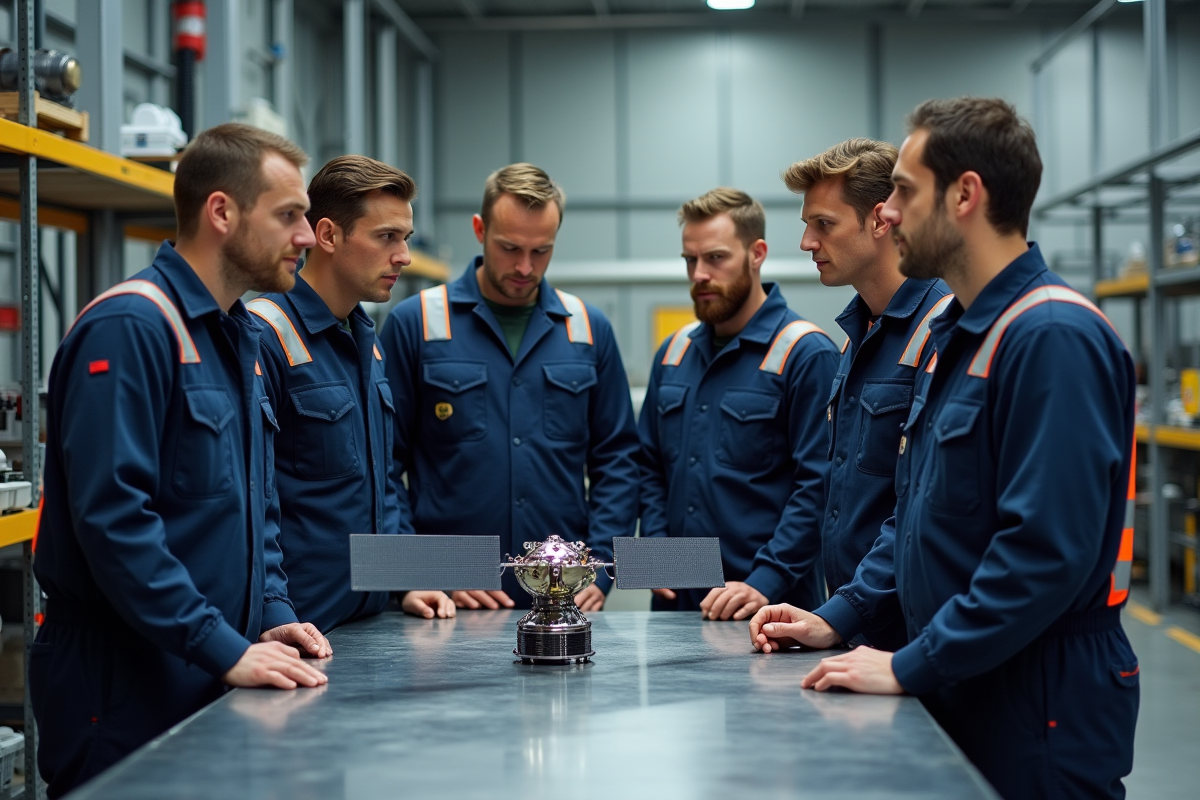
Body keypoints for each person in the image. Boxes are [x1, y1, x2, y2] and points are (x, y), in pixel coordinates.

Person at [753, 98, 1138, 800]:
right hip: (967, 675)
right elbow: (916, 515)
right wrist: (839, 617)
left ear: (965, 195)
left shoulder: (1051, 335)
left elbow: (1045, 553)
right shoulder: (960, 338)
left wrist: (910, 664)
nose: (889, 212)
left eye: (903, 190)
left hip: (1037, 699)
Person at [31, 123, 332, 798]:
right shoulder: (132, 328)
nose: (308, 237)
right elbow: (114, 521)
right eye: (289, 215)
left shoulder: (244, 336)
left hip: (209, 663)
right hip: (125, 680)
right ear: (222, 212)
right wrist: (224, 646)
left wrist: (273, 611)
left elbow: (258, 502)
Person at [380, 163, 639, 611]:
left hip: (562, 597)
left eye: (541, 251)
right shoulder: (416, 324)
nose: (525, 267)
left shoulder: (589, 329)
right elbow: (382, 465)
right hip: (449, 603)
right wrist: (421, 573)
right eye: (510, 248)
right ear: (480, 229)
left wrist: (598, 562)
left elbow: (617, 459)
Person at [755, 139, 950, 651]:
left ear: (882, 220)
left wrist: (831, 606)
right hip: (844, 619)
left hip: (896, 628)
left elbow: (919, 505)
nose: (805, 242)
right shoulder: (859, 335)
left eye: (823, 224)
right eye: (690, 260)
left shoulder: (937, 333)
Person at [250, 155, 454, 632]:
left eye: (404, 237)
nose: (403, 255)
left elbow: (381, 485)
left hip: (367, 623)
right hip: (299, 630)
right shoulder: (264, 336)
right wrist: (274, 614)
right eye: (387, 237)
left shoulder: (366, 340)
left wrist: (407, 576)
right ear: (327, 236)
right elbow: (253, 504)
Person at [638, 188, 839, 620]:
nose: (699, 274)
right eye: (690, 260)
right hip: (677, 608)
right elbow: (648, 465)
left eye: (715, 258)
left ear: (756, 253)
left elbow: (819, 486)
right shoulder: (673, 353)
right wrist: (656, 552)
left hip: (771, 611)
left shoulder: (805, 353)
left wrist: (764, 581)